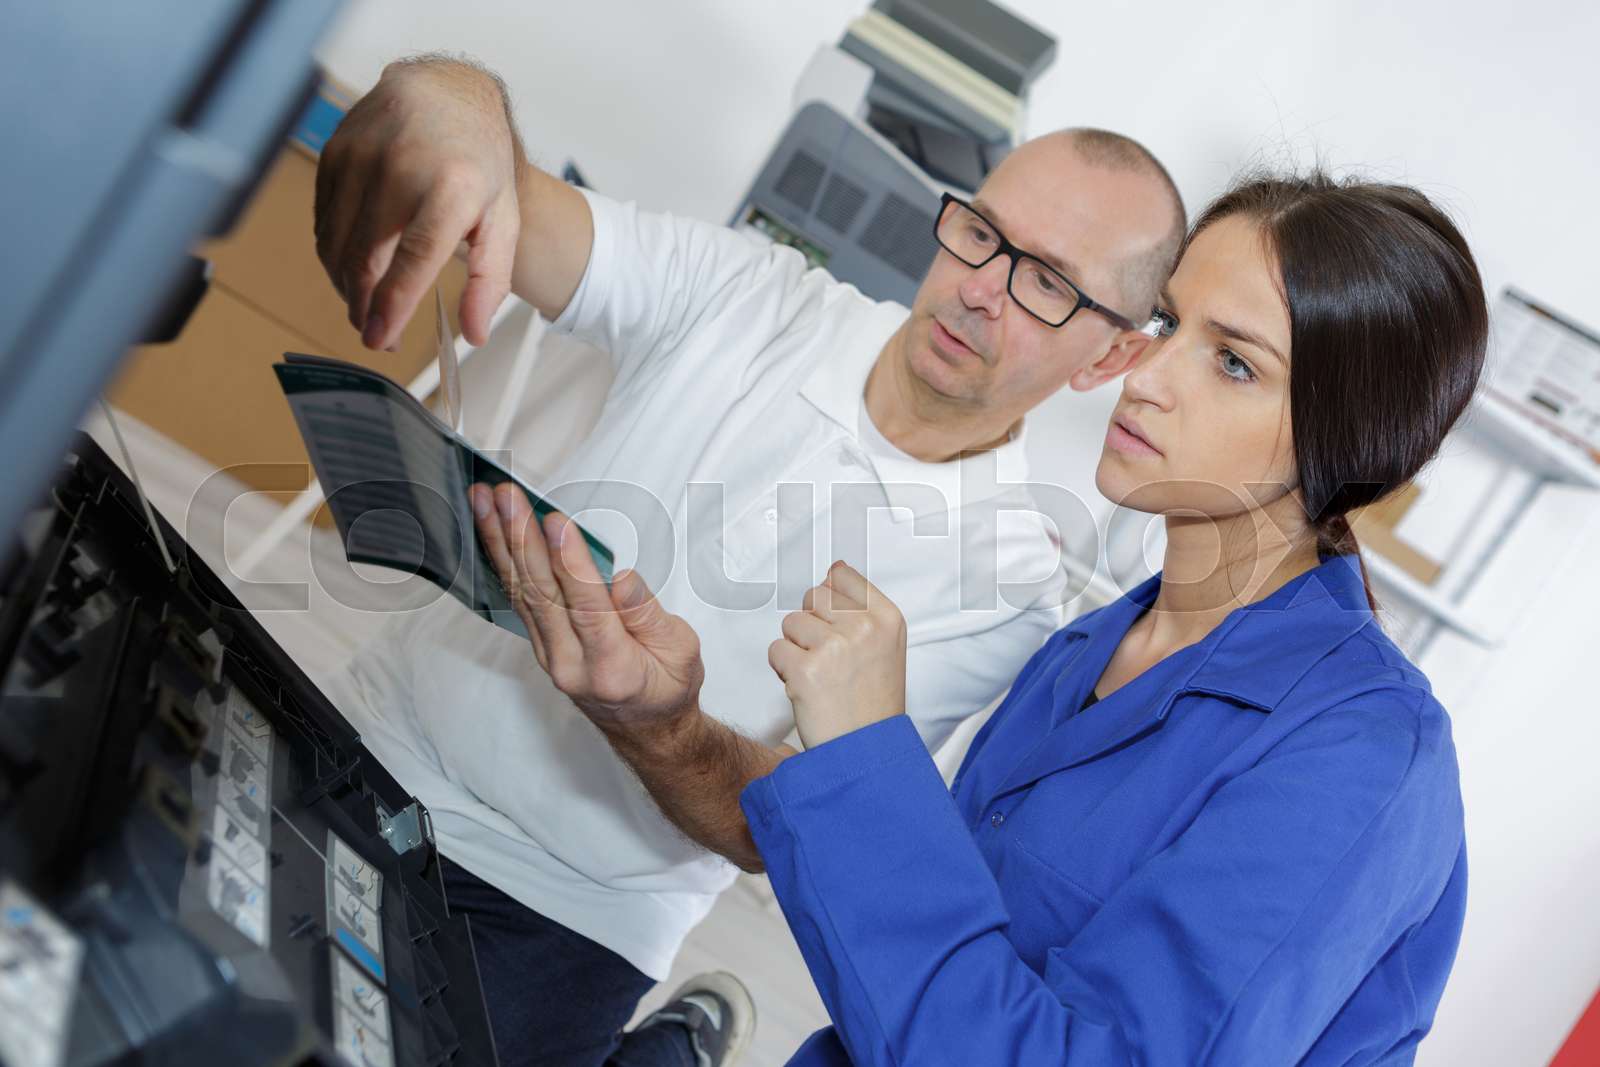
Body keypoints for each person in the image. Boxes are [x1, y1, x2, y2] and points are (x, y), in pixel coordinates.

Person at [476, 171, 1487, 1064]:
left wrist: (866, 755)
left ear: (1346, 446)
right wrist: (679, 722)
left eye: (1232, 363)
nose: (1145, 376)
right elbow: (916, 972)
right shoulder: (1085, 650)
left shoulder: (1360, 758)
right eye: (1171, 325)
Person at [312, 54, 1185, 1066]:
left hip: (567, 909)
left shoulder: (1007, 594)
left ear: (1113, 356)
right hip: (375, 733)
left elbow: (775, 823)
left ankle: (669, 1048)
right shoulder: (759, 295)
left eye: (1046, 284)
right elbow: (519, 202)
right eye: (981, 235)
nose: (981, 290)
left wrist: (661, 721)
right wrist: (453, 106)